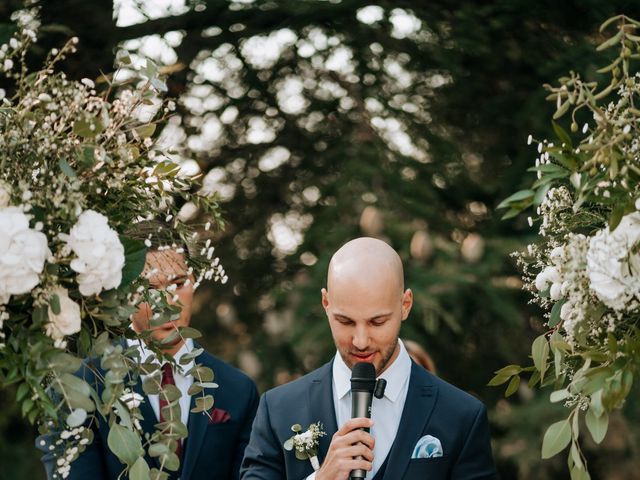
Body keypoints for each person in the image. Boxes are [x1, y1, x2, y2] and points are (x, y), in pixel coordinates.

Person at [241, 237, 496, 480]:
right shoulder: (278, 409)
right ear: (326, 303)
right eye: (345, 321)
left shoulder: (461, 416)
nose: (360, 341)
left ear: (405, 305)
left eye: (377, 321)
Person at [38, 232, 259, 480]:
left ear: (194, 282)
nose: (168, 303)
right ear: (122, 293)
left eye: (178, 283)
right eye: (149, 288)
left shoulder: (238, 390)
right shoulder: (77, 391)